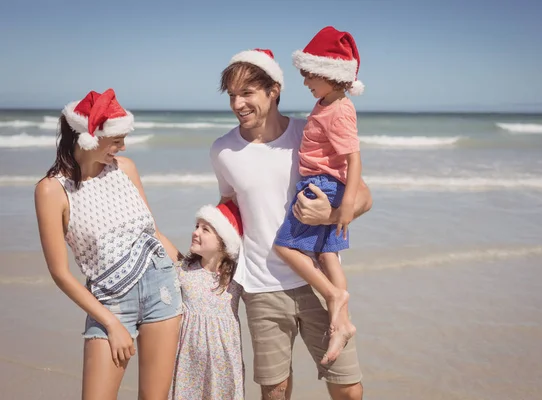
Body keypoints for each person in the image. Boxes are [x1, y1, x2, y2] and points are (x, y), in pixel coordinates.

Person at [211, 47, 372, 400]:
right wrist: (213, 254)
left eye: (247, 93)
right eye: (233, 95)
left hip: (320, 282)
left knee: (348, 388)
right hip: (262, 286)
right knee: (275, 391)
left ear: (274, 90)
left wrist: (329, 216)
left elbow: (363, 196)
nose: (238, 104)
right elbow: (230, 207)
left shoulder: (309, 132)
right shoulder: (222, 151)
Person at [34, 89, 182, 399]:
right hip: (110, 302)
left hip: (161, 287)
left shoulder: (125, 169)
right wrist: (112, 324)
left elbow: (152, 231)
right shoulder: (51, 191)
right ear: (89, 138)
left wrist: (191, 271)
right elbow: (60, 273)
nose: (122, 147)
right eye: (116, 140)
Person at [273, 25, 365, 365]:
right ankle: (342, 323)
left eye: (311, 75)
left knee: (285, 245)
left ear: (331, 75)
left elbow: (354, 159)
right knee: (327, 256)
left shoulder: (339, 109)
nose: (306, 81)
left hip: (321, 186)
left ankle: (333, 295)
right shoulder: (325, 103)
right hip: (325, 184)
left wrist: (345, 209)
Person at [170, 200, 244, 399]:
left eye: (205, 229)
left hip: (224, 364)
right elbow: (159, 238)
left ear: (224, 242)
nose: (196, 232)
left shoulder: (236, 277)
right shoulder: (184, 270)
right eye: (196, 227)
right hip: (189, 362)